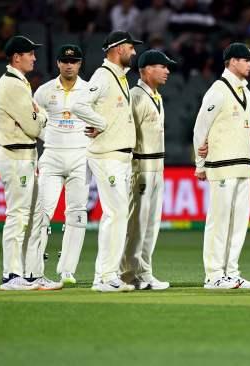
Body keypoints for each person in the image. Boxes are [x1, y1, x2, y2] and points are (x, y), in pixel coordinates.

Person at [73, 30, 142, 292]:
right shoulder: (103, 75)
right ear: (117, 49)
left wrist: (100, 122)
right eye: (130, 48)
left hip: (120, 156)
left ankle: (107, 274)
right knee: (115, 214)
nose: (134, 52)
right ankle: (103, 277)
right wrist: (99, 123)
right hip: (107, 156)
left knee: (117, 214)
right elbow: (80, 104)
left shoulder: (120, 77)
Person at [0, 35, 55, 290]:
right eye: (30, 53)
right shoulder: (13, 85)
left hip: (26, 157)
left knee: (34, 216)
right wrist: (40, 117)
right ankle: (11, 275)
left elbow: (36, 116)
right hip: (16, 157)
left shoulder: (19, 82)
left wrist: (39, 115)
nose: (34, 57)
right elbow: (33, 125)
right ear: (17, 57)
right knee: (18, 216)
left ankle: (30, 273)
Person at [193, 43, 250, 290]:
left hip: (243, 166)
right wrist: (200, 164)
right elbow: (201, 127)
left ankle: (231, 272)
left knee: (239, 223)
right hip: (221, 166)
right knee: (219, 221)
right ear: (232, 62)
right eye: (246, 60)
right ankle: (213, 275)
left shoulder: (246, 91)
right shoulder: (218, 90)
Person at [32, 44, 89, 286]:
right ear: (57, 63)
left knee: (77, 214)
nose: (69, 65)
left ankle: (67, 270)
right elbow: (33, 123)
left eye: (74, 61)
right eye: (65, 61)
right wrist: (50, 138)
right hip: (52, 156)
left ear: (80, 64)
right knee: (42, 213)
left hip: (80, 158)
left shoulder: (89, 91)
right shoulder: (44, 92)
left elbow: (99, 122)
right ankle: (34, 270)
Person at [121, 50, 175, 291]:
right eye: (162, 66)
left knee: (151, 224)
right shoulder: (135, 97)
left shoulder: (156, 96)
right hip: (141, 167)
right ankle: (128, 274)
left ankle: (144, 272)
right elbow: (126, 133)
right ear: (145, 70)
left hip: (157, 166)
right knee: (138, 224)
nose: (167, 71)